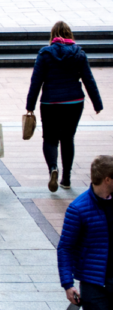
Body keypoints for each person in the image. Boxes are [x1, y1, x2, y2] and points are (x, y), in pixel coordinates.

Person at [58, 156, 113, 310]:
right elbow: (66, 247)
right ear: (107, 180)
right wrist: (68, 283)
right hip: (93, 282)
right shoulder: (79, 208)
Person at [26, 21, 103, 192]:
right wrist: (97, 103)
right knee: (68, 138)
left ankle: (53, 168)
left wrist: (30, 105)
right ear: (69, 34)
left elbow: (36, 81)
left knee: (50, 139)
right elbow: (88, 79)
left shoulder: (45, 54)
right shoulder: (79, 53)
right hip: (74, 102)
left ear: (52, 35)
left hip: (50, 103)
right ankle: (66, 178)